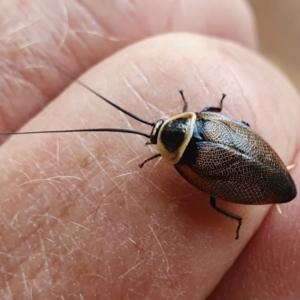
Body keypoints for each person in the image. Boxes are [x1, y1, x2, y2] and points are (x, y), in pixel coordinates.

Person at [0, 0, 299, 299]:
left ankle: (250, 205)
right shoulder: (204, 119)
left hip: (224, 163)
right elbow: (225, 120)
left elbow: (203, 184)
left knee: (214, 201)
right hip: (233, 142)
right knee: (240, 133)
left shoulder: (182, 164)